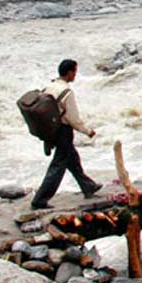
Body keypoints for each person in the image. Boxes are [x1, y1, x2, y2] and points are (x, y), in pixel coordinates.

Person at [31, 60, 102, 209]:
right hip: (63, 131)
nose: (75, 75)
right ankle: (40, 199)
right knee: (58, 166)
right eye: (75, 71)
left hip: (52, 130)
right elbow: (72, 118)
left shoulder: (49, 87)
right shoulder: (66, 92)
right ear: (69, 72)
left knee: (72, 158)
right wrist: (87, 131)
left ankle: (88, 186)